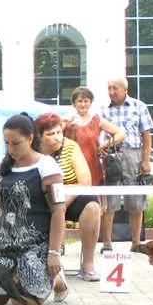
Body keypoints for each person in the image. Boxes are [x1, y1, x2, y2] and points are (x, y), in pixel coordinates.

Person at [0, 114, 67, 305]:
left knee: (23, 304)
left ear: (30, 139)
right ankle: (17, 279)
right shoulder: (2, 164)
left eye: (16, 143)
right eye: (7, 143)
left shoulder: (46, 165)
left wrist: (54, 253)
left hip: (34, 245)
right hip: (1, 243)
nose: (11, 149)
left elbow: (58, 211)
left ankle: (56, 278)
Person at [36, 112, 102, 281]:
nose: (57, 137)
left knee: (92, 206)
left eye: (59, 132)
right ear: (40, 136)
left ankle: (88, 264)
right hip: (41, 198)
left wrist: (63, 203)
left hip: (70, 196)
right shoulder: (34, 151)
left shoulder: (71, 147)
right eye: (50, 134)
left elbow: (85, 182)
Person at [100, 76, 153, 251]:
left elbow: (146, 136)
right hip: (111, 156)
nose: (111, 92)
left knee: (136, 200)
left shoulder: (139, 106)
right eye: (109, 88)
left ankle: (136, 242)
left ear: (125, 89)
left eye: (115, 88)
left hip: (133, 155)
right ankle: (107, 243)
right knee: (109, 200)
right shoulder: (102, 109)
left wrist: (145, 161)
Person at [63, 86, 126, 186]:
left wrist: (105, 145)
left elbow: (121, 134)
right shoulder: (67, 121)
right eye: (80, 101)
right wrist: (62, 120)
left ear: (90, 102)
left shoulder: (97, 120)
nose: (83, 104)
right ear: (74, 103)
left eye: (86, 101)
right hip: (71, 167)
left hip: (93, 165)